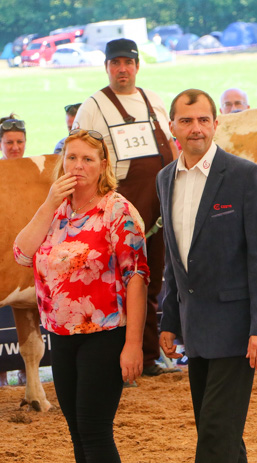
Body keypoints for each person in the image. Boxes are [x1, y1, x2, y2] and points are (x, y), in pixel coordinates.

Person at [149, 89, 257, 463]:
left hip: (239, 329)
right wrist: (168, 318)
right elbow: (174, 259)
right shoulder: (166, 178)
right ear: (172, 126)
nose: (197, 128)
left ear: (216, 123)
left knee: (217, 434)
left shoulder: (244, 176)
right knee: (218, 431)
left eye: (204, 119)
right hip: (195, 329)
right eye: (187, 120)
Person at [13, 129, 149, 463]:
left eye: (88, 159)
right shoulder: (57, 210)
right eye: (71, 157)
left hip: (104, 333)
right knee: (77, 430)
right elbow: (21, 252)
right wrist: (49, 202)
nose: (78, 166)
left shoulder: (118, 212)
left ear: (104, 164)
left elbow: (137, 278)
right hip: (61, 334)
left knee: (93, 429)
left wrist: (133, 344)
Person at [73, 38, 178, 377]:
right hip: (117, 208)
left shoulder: (153, 100)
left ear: (137, 66)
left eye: (128, 63)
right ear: (106, 67)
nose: (122, 69)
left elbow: (171, 149)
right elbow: (78, 155)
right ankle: (121, 359)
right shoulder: (94, 105)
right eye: (115, 63)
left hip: (160, 205)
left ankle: (147, 357)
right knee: (119, 283)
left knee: (153, 281)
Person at [0, 114, 28, 388]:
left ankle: (25, 371)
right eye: (9, 142)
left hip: (27, 250)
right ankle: (1, 372)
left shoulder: (34, 171)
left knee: (28, 310)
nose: (15, 147)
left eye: (19, 141)